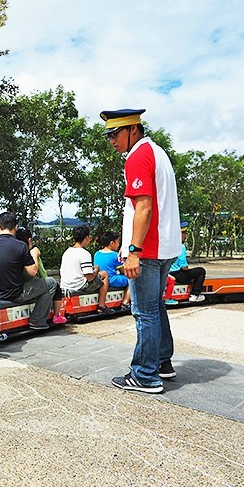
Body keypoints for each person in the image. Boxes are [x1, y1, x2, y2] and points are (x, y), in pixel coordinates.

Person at [102, 108, 182, 393]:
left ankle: (144, 375)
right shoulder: (158, 152)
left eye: (114, 133)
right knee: (156, 307)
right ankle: (162, 362)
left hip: (148, 249)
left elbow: (144, 207)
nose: (111, 140)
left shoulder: (137, 156)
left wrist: (133, 251)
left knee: (144, 312)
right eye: (108, 134)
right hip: (166, 247)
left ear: (132, 129)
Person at [0, 211, 63, 330]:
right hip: (15, 293)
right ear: (15, 227)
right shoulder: (20, 246)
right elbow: (33, 271)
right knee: (51, 283)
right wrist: (34, 254)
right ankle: (37, 320)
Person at [14, 227, 67, 324]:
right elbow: (43, 274)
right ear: (29, 241)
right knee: (53, 284)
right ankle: (55, 315)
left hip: (13, 287)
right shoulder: (32, 254)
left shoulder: (13, 253)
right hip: (27, 288)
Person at [59, 225, 112, 314]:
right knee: (104, 274)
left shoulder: (67, 252)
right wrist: (96, 269)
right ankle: (101, 306)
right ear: (87, 238)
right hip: (78, 285)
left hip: (65, 285)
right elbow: (90, 278)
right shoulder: (84, 253)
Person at [93, 232, 131, 310]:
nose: (118, 244)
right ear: (112, 243)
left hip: (100, 279)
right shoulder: (115, 255)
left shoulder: (97, 253)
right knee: (132, 279)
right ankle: (125, 302)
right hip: (111, 280)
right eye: (118, 242)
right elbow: (123, 270)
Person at [170, 221, 206, 302]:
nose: (185, 235)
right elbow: (184, 268)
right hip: (177, 275)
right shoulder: (181, 247)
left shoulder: (168, 245)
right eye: (184, 233)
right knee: (200, 271)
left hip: (166, 274)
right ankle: (195, 294)